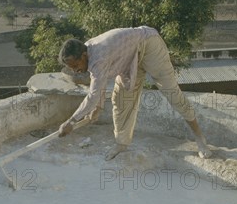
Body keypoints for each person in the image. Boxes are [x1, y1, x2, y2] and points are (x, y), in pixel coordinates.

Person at [58, 26, 212, 160]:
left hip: (149, 44)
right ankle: (121, 144)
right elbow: (99, 83)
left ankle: (200, 139)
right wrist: (97, 107)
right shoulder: (88, 51)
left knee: (172, 93)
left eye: (76, 65)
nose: (76, 71)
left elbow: (93, 93)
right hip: (130, 59)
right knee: (120, 100)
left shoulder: (98, 56)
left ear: (83, 56)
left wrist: (72, 121)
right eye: (72, 69)